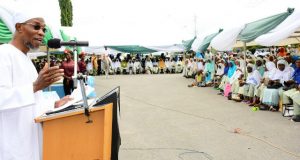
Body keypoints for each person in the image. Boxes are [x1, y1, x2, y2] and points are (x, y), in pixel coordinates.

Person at [0, 13, 72, 160]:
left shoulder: (26, 59)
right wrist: (35, 86)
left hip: (31, 140)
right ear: (19, 27)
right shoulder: (4, 54)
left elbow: (33, 101)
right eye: (36, 26)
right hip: (13, 146)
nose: (41, 33)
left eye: (44, 29)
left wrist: (53, 105)